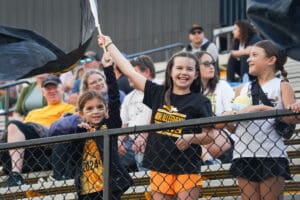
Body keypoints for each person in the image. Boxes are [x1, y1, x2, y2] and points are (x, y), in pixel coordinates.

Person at [99, 35, 217, 200]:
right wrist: (109, 44)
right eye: (179, 68)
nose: (184, 72)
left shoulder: (200, 101)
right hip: (159, 166)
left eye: (189, 69)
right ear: (170, 71)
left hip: (187, 167)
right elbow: (129, 72)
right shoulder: (157, 93)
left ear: (196, 74)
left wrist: (191, 138)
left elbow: (210, 135)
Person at [48, 53, 132, 200]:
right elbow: (72, 160)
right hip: (86, 190)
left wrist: (107, 68)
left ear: (106, 110)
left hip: (109, 189)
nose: (96, 111)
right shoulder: (80, 131)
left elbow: (114, 97)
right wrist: (79, 134)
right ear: (81, 113)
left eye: (100, 107)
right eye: (90, 109)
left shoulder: (109, 125)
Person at [229, 40, 300, 200]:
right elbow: (234, 127)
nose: (248, 59)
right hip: (243, 153)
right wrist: (228, 120)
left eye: (254, 55)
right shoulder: (240, 89)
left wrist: (261, 109)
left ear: (271, 60)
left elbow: (291, 118)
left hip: (271, 154)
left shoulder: (282, 85)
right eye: (249, 55)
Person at [1, 74, 75, 187]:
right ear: (43, 92)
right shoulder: (33, 113)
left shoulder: (69, 108)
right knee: (13, 127)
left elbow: (62, 127)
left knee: (14, 125)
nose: (52, 91)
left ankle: (15, 174)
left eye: (55, 87)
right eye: (48, 89)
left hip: (48, 142)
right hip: (29, 146)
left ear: (62, 89)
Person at [194, 51, 235, 164]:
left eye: (212, 63)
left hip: (225, 142)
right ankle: (207, 158)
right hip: (197, 146)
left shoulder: (222, 86)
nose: (211, 67)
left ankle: (209, 159)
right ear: (196, 68)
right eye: (206, 64)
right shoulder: (191, 92)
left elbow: (230, 114)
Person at [119, 55, 156, 172]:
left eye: (133, 72)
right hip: (131, 142)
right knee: (108, 153)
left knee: (142, 147)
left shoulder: (159, 86)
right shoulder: (128, 97)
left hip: (154, 139)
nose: (129, 76)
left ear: (147, 72)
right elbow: (124, 124)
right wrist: (119, 141)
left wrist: (144, 135)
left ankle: (148, 186)